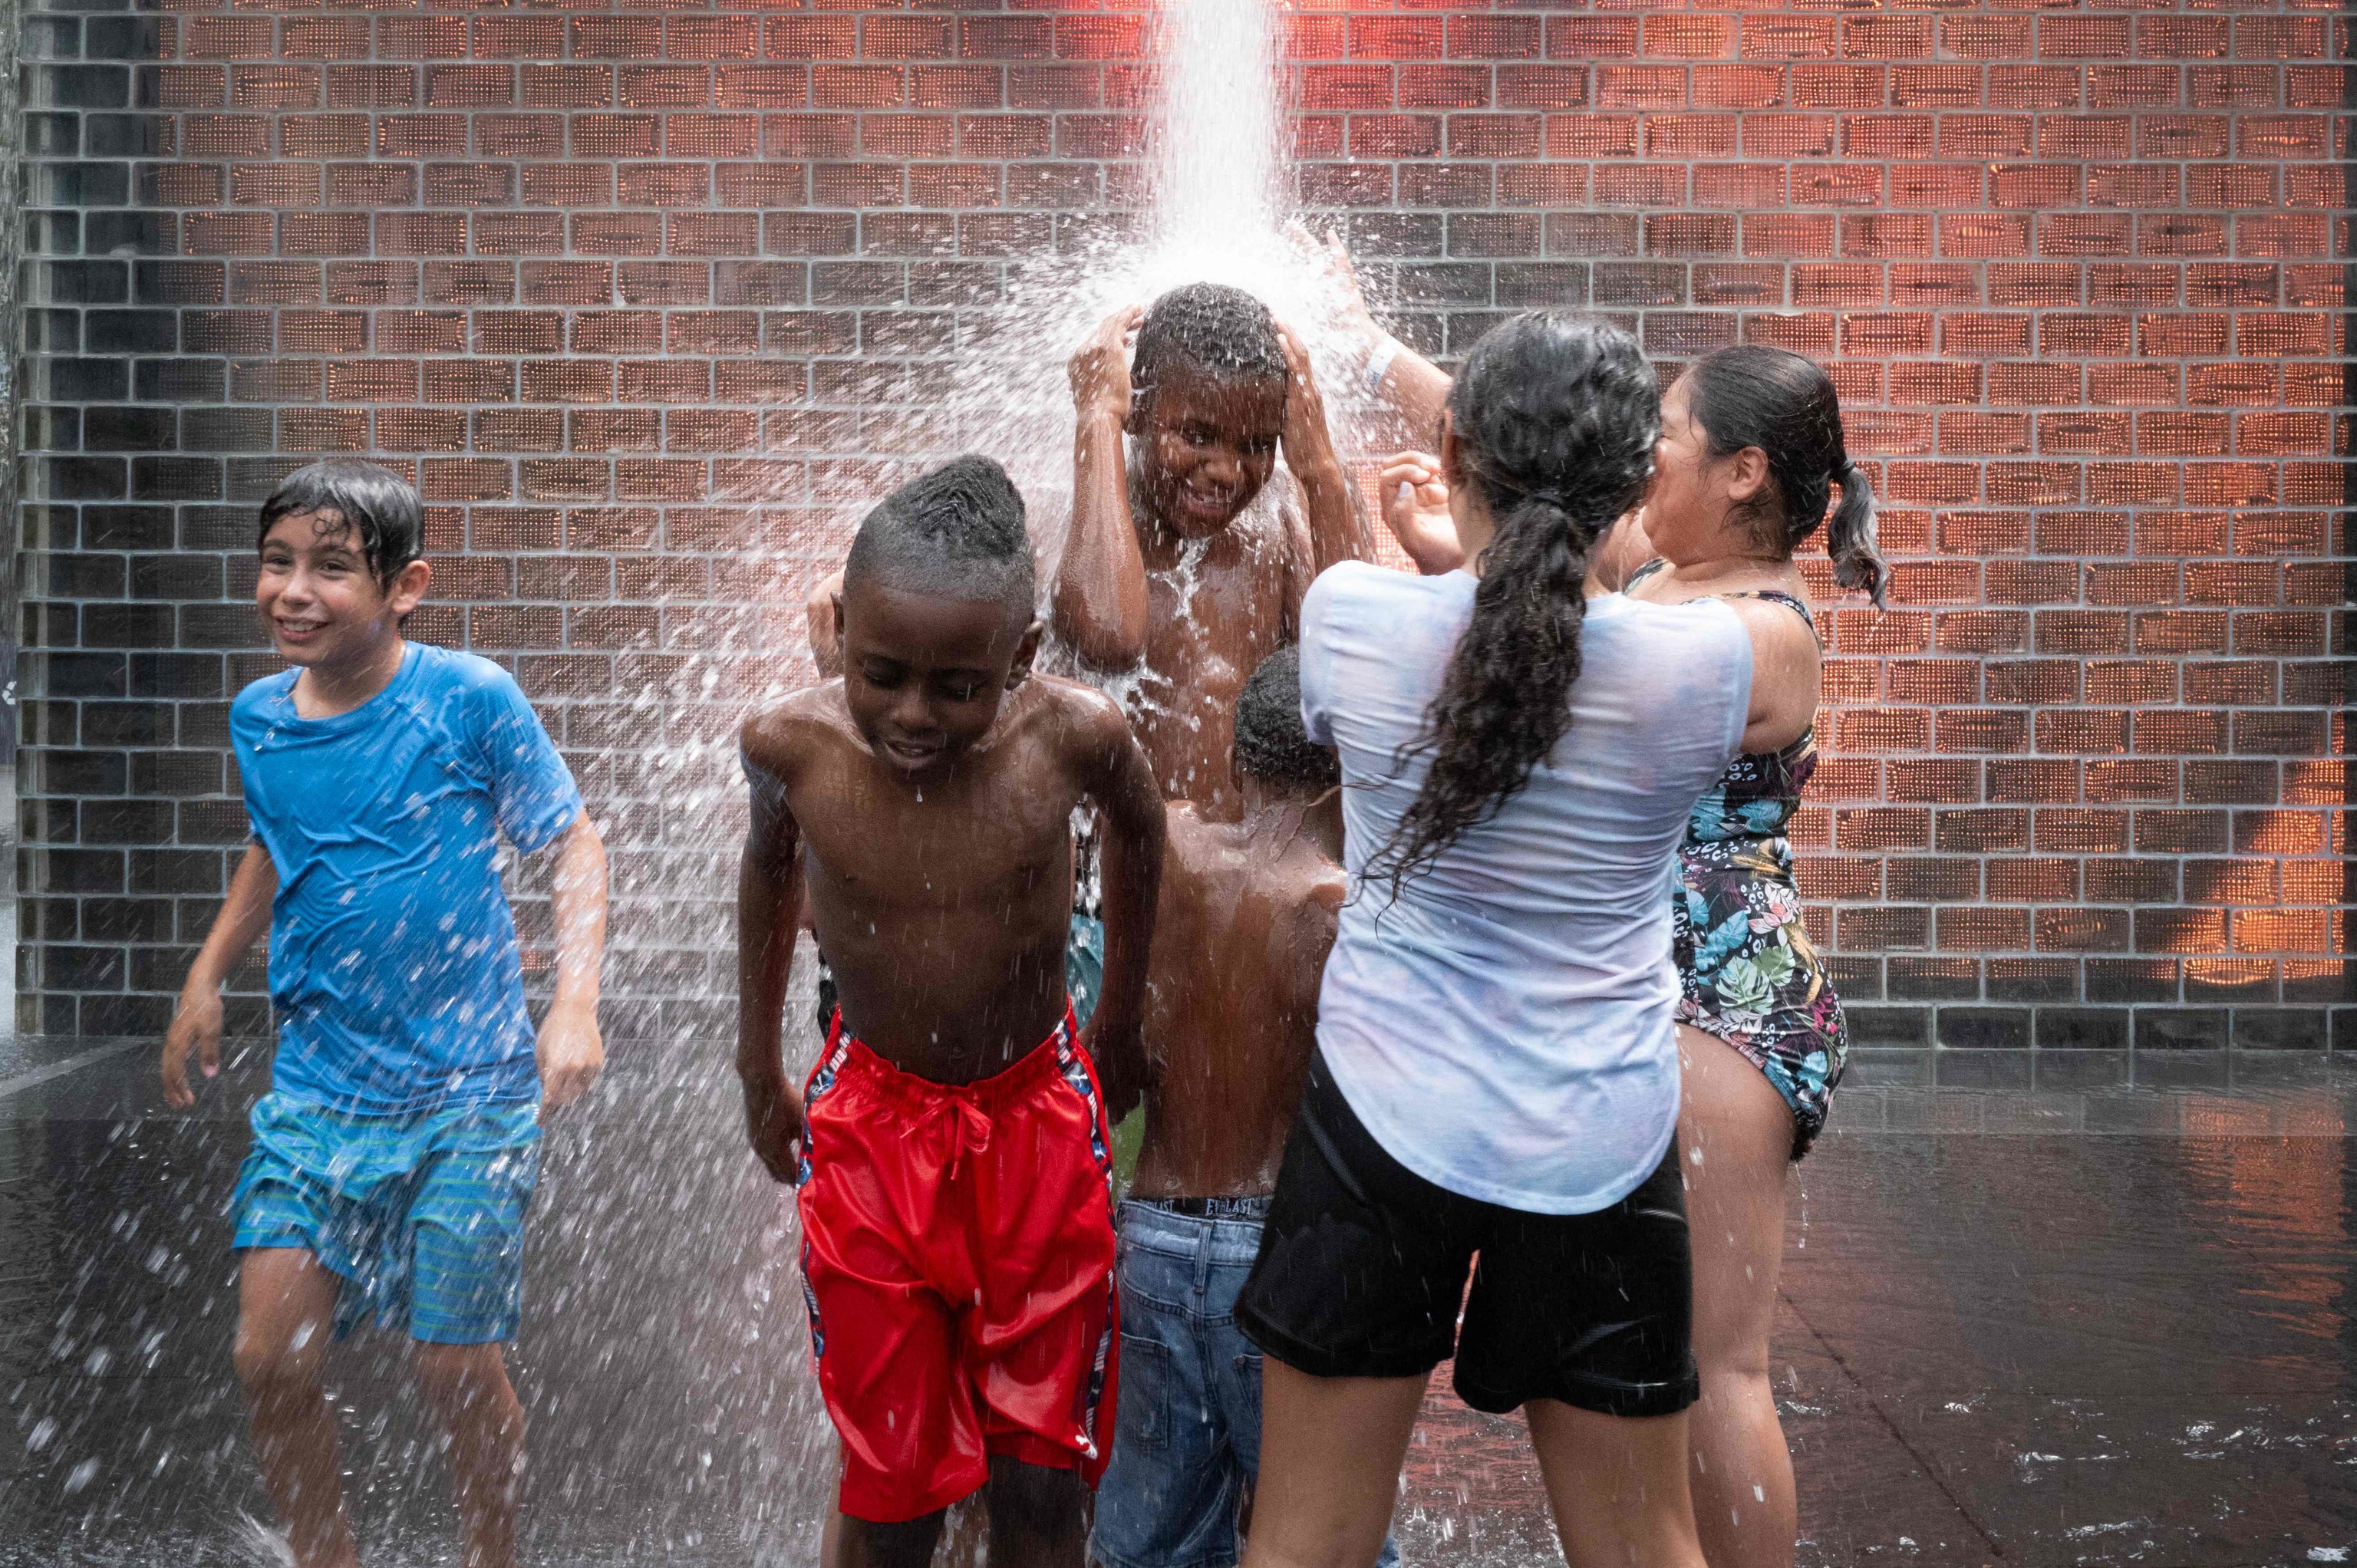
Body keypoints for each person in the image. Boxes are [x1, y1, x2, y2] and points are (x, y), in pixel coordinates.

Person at [1231, 314, 1798, 1568]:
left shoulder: (1348, 617)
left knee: (1301, 1541)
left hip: (1380, 1116)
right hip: (1595, 1130)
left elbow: (1431, 649)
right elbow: (1764, 662)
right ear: (1639, 484)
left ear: (1450, 447)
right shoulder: (1708, 667)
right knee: (1643, 1544)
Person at [1368, 345, 1881, 1568]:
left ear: (1744, 470)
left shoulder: (1768, 633)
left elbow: (1588, 661)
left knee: (1718, 1357)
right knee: (1638, 1346)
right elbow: (1536, 454)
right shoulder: (1657, 577)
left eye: (1670, 430)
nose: (1644, 451)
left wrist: (1471, 570)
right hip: (1633, 988)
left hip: (1722, 1000)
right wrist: (1368, 345)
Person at [162, 458, 609, 1568]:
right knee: (270, 1357)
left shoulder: (467, 699)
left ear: (405, 587)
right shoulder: (261, 719)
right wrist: (209, 969)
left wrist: (575, 1003)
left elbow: (575, 842)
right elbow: (275, 844)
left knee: (453, 1367)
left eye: (329, 569)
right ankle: (327, 1556)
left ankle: (491, 1546)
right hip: (320, 1093)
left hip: (470, 1095)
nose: (293, 592)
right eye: (277, 563)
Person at [735, 455, 1166, 1568]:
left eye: (956, 688)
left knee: (1042, 1478)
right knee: (893, 1488)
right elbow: (765, 877)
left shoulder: (1071, 740)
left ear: (1018, 661)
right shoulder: (793, 747)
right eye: (883, 674)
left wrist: (1119, 1018)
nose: (913, 715)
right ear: (846, 634)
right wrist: (756, 1065)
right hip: (872, 1131)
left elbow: (1142, 834)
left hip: (1034, 1120)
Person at [1089, 647, 1399, 1568]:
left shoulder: (1167, 848)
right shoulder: (1338, 908)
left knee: (1149, 1545)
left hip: (1153, 1241)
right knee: (1328, 1541)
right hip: (1280, 1260)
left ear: (1235, 762)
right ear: (1350, 772)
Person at [1054, 282, 1373, 812]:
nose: (1227, 472)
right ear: (1135, 409)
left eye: (1255, 445)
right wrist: (1096, 418)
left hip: (1234, 876)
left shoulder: (1283, 519)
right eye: (1197, 436)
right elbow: (1109, 636)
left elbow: (1363, 673)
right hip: (1107, 884)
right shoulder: (1092, 517)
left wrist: (1320, 472)